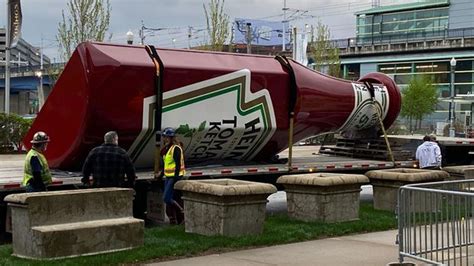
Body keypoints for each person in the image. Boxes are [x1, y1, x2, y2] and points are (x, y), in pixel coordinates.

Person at [160, 127, 185, 225]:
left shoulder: (176, 148)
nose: (165, 139)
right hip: (168, 176)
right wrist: (161, 174)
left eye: (167, 137)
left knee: (166, 198)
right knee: (169, 198)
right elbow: (166, 164)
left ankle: (181, 210)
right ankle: (174, 220)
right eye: (164, 137)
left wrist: (175, 177)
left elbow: (178, 164)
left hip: (175, 176)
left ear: (171, 138)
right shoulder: (167, 148)